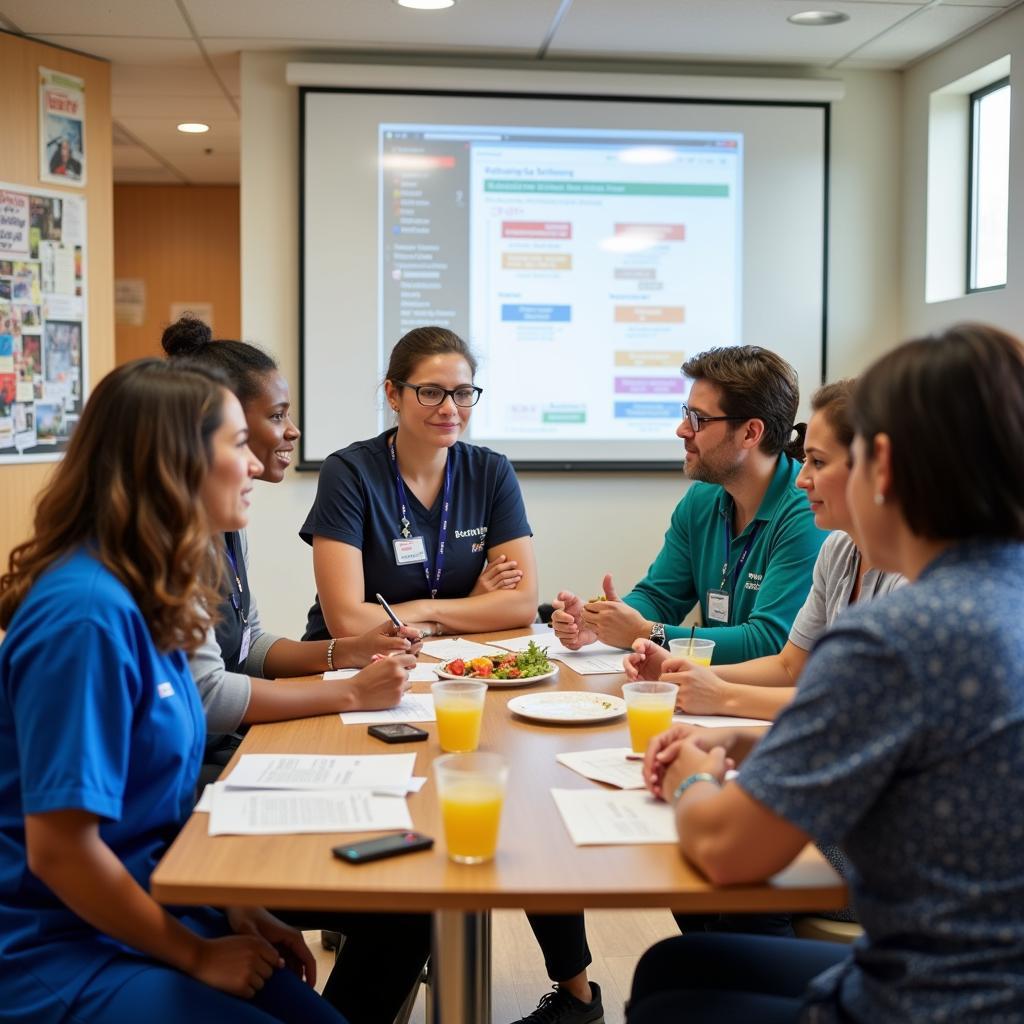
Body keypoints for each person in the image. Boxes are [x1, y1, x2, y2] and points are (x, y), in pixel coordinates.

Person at [630, 322, 1024, 1023]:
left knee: (677, 994)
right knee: (674, 967)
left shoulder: (899, 635)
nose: (807, 478)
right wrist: (745, 742)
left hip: (932, 999)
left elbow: (725, 849)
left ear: (886, 466)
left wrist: (689, 769)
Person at [0, 359, 343, 1024]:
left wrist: (231, 905)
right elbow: (61, 851)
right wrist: (194, 953)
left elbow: (149, 808)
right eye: (239, 444)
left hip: (150, 905)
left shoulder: (150, 591)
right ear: (177, 461)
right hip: (57, 948)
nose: (254, 465)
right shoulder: (86, 616)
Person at [516, 346, 826, 1024]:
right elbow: (658, 594)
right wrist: (595, 623)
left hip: (756, 722)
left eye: (696, 418)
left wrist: (648, 636)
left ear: (751, 433)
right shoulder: (702, 503)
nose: (681, 430)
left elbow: (775, 640)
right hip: (721, 716)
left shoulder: (807, 513)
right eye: (683, 414)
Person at [162, 318, 431, 1024]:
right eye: (274, 417)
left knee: (406, 890)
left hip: (201, 802)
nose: (288, 436)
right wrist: (347, 688)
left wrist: (351, 653)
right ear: (212, 426)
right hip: (190, 812)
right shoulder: (161, 558)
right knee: (404, 900)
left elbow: (243, 644)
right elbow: (209, 692)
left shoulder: (221, 524)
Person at [624, 379, 904, 722]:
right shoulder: (839, 549)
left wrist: (721, 695)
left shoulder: (913, 577)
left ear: (877, 468)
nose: (803, 479)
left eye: (817, 462)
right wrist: (675, 671)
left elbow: (857, 705)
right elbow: (789, 667)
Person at [301, 325, 537, 641]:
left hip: (450, 655)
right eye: (430, 392)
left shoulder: (491, 471)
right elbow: (347, 621)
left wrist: (433, 620)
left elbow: (522, 606)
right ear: (392, 394)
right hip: (353, 664)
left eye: (463, 393)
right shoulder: (349, 472)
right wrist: (469, 606)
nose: (450, 409)